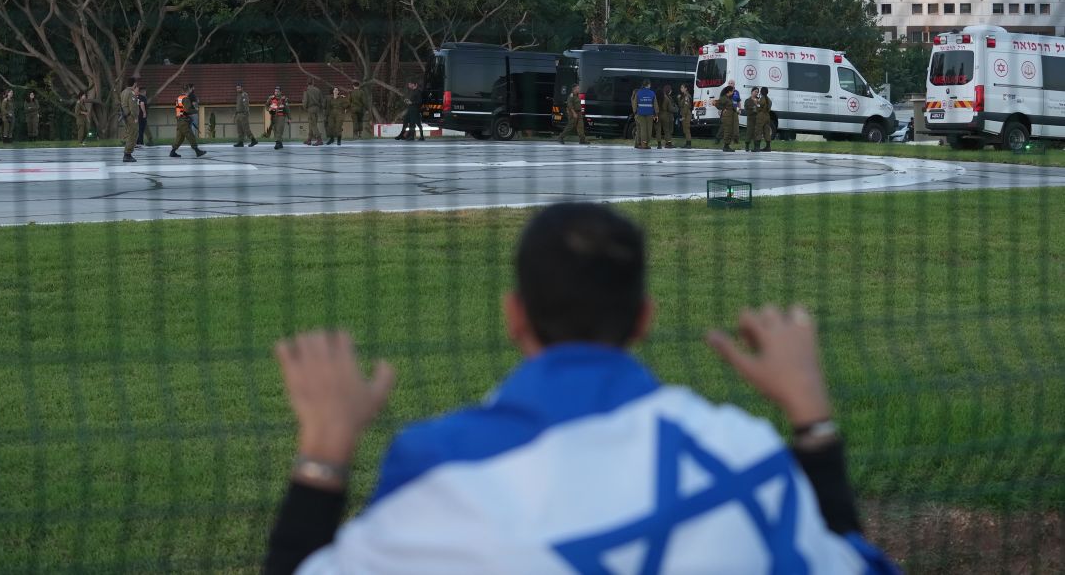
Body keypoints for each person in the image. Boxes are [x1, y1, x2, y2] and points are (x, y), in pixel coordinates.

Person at [264, 203, 898, 575]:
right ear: (644, 318)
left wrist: (324, 452)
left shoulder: (440, 470)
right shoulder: (745, 454)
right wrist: (812, 418)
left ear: (515, 316)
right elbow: (851, 557)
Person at [169, 82, 207, 158]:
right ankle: (197, 151)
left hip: (180, 119)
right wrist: (196, 110)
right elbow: (187, 110)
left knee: (180, 137)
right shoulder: (186, 99)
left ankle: (172, 152)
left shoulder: (179, 98)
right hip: (184, 120)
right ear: (188, 90)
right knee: (190, 135)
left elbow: (181, 109)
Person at [119, 80, 140, 163]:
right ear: (134, 84)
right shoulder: (131, 93)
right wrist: (135, 116)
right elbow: (133, 106)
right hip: (131, 116)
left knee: (130, 133)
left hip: (125, 115)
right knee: (133, 134)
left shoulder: (123, 92)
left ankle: (127, 153)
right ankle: (127, 154)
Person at [233, 82, 258, 148]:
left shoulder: (244, 95)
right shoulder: (238, 95)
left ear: (242, 88)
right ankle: (240, 142)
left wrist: (246, 113)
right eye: (237, 88)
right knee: (239, 129)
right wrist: (235, 114)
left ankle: (253, 140)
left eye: (239, 88)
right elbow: (238, 106)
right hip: (238, 114)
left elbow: (246, 105)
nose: (238, 89)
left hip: (243, 114)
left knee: (246, 129)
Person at [634, 80, 657, 150]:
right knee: (648, 129)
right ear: (648, 85)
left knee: (641, 129)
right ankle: (645, 144)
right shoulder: (652, 93)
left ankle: (639, 144)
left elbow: (635, 104)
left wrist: (635, 112)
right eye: (650, 85)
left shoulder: (638, 93)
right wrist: (656, 113)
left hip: (640, 114)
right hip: (649, 114)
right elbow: (655, 104)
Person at [716, 84, 738, 152]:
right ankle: (726, 146)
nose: (733, 92)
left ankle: (727, 145)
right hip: (726, 117)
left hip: (731, 117)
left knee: (730, 131)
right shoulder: (724, 98)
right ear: (729, 91)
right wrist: (723, 108)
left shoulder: (729, 98)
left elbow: (731, 106)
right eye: (732, 91)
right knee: (727, 131)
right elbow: (716, 104)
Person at [303, 79, 324, 146]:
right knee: (312, 124)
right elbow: (321, 100)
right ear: (313, 83)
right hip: (317, 108)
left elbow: (305, 101)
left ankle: (319, 139)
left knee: (313, 124)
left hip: (310, 108)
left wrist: (305, 108)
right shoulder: (318, 90)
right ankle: (309, 139)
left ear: (307, 83)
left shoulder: (306, 90)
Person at [755, 86, 773, 153]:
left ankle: (757, 147)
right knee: (767, 131)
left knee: (758, 130)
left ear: (761, 92)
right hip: (767, 116)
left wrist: (756, 103)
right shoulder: (769, 100)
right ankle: (768, 147)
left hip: (761, 116)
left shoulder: (761, 100)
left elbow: (757, 108)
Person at [657, 85, 675, 149]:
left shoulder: (656, 98)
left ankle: (659, 144)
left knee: (658, 130)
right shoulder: (666, 98)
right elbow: (670, 109)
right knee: (666, 130)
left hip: (657, 114)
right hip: (665, 115)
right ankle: (668, 143)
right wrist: (675, 109)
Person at [743, 87, 760, 152]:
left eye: (757, 92)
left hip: (758, 118)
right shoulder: (748, 100)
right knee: (749, 132)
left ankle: (756, 147)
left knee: (757, 132)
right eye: (755, 91)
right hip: (750, 118)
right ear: (752, 92)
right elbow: (746, 108)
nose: (756, 93)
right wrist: (754, 108)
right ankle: (747, 145)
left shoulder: (759, 100)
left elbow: (761, 108)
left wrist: (755, 107)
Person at [678, 83, 693, 148]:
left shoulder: (686, 96)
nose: (681, 89)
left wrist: (683, 116)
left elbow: (686, 106)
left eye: (682, 87)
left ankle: (689, 144)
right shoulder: (683, 96)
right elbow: (681, 105)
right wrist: (679, 99)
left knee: (686, 129)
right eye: (681, 87)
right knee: (685, 129)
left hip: (686, 114)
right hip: (684, 113)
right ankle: (687, 143)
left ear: (686, 88)